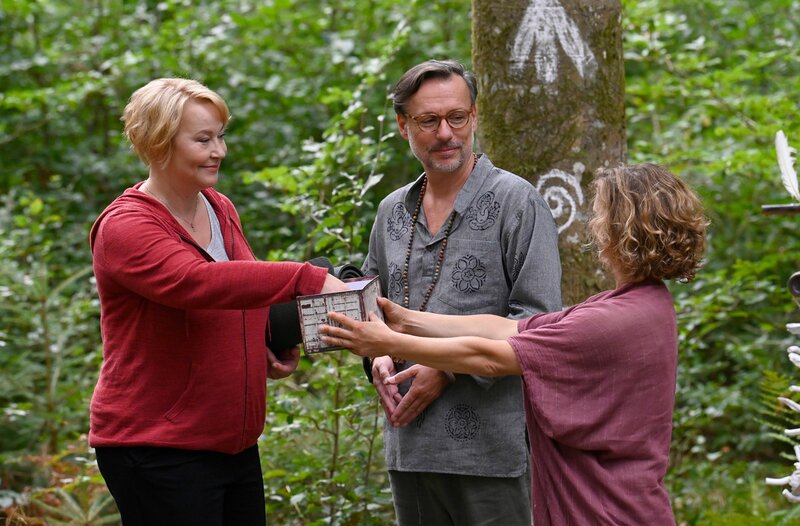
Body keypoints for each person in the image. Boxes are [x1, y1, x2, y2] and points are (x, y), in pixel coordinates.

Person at [322, 163, 708, 525]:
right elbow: (508, 328)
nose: (595, 225)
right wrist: (407, 320)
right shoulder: (642, 305)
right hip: (620, 502)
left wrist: (390, 341)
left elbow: (492, 358)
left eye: (601, 217)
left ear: (620, 232)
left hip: (609, 510)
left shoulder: (612, 322)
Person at [88, 78, 347, 526]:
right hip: (159, 447)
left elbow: (238, 294)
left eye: (220, 136)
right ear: (159, 143)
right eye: (203, 140)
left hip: (232, 442)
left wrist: (263, 342)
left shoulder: (217, 205)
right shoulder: (125, 226)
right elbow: (197, 283)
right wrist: (308, 278)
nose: (219, 151)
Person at [358, 59, 562, 525]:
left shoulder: (517, 202)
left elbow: (539, 324)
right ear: (403, 125)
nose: (446, 133)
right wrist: (378, 357)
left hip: (492, 450)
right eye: (429, 121)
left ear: (474, 116)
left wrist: (447, 369)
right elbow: (370, 304)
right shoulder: (391, 211)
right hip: (410, 445)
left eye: (457, 117)